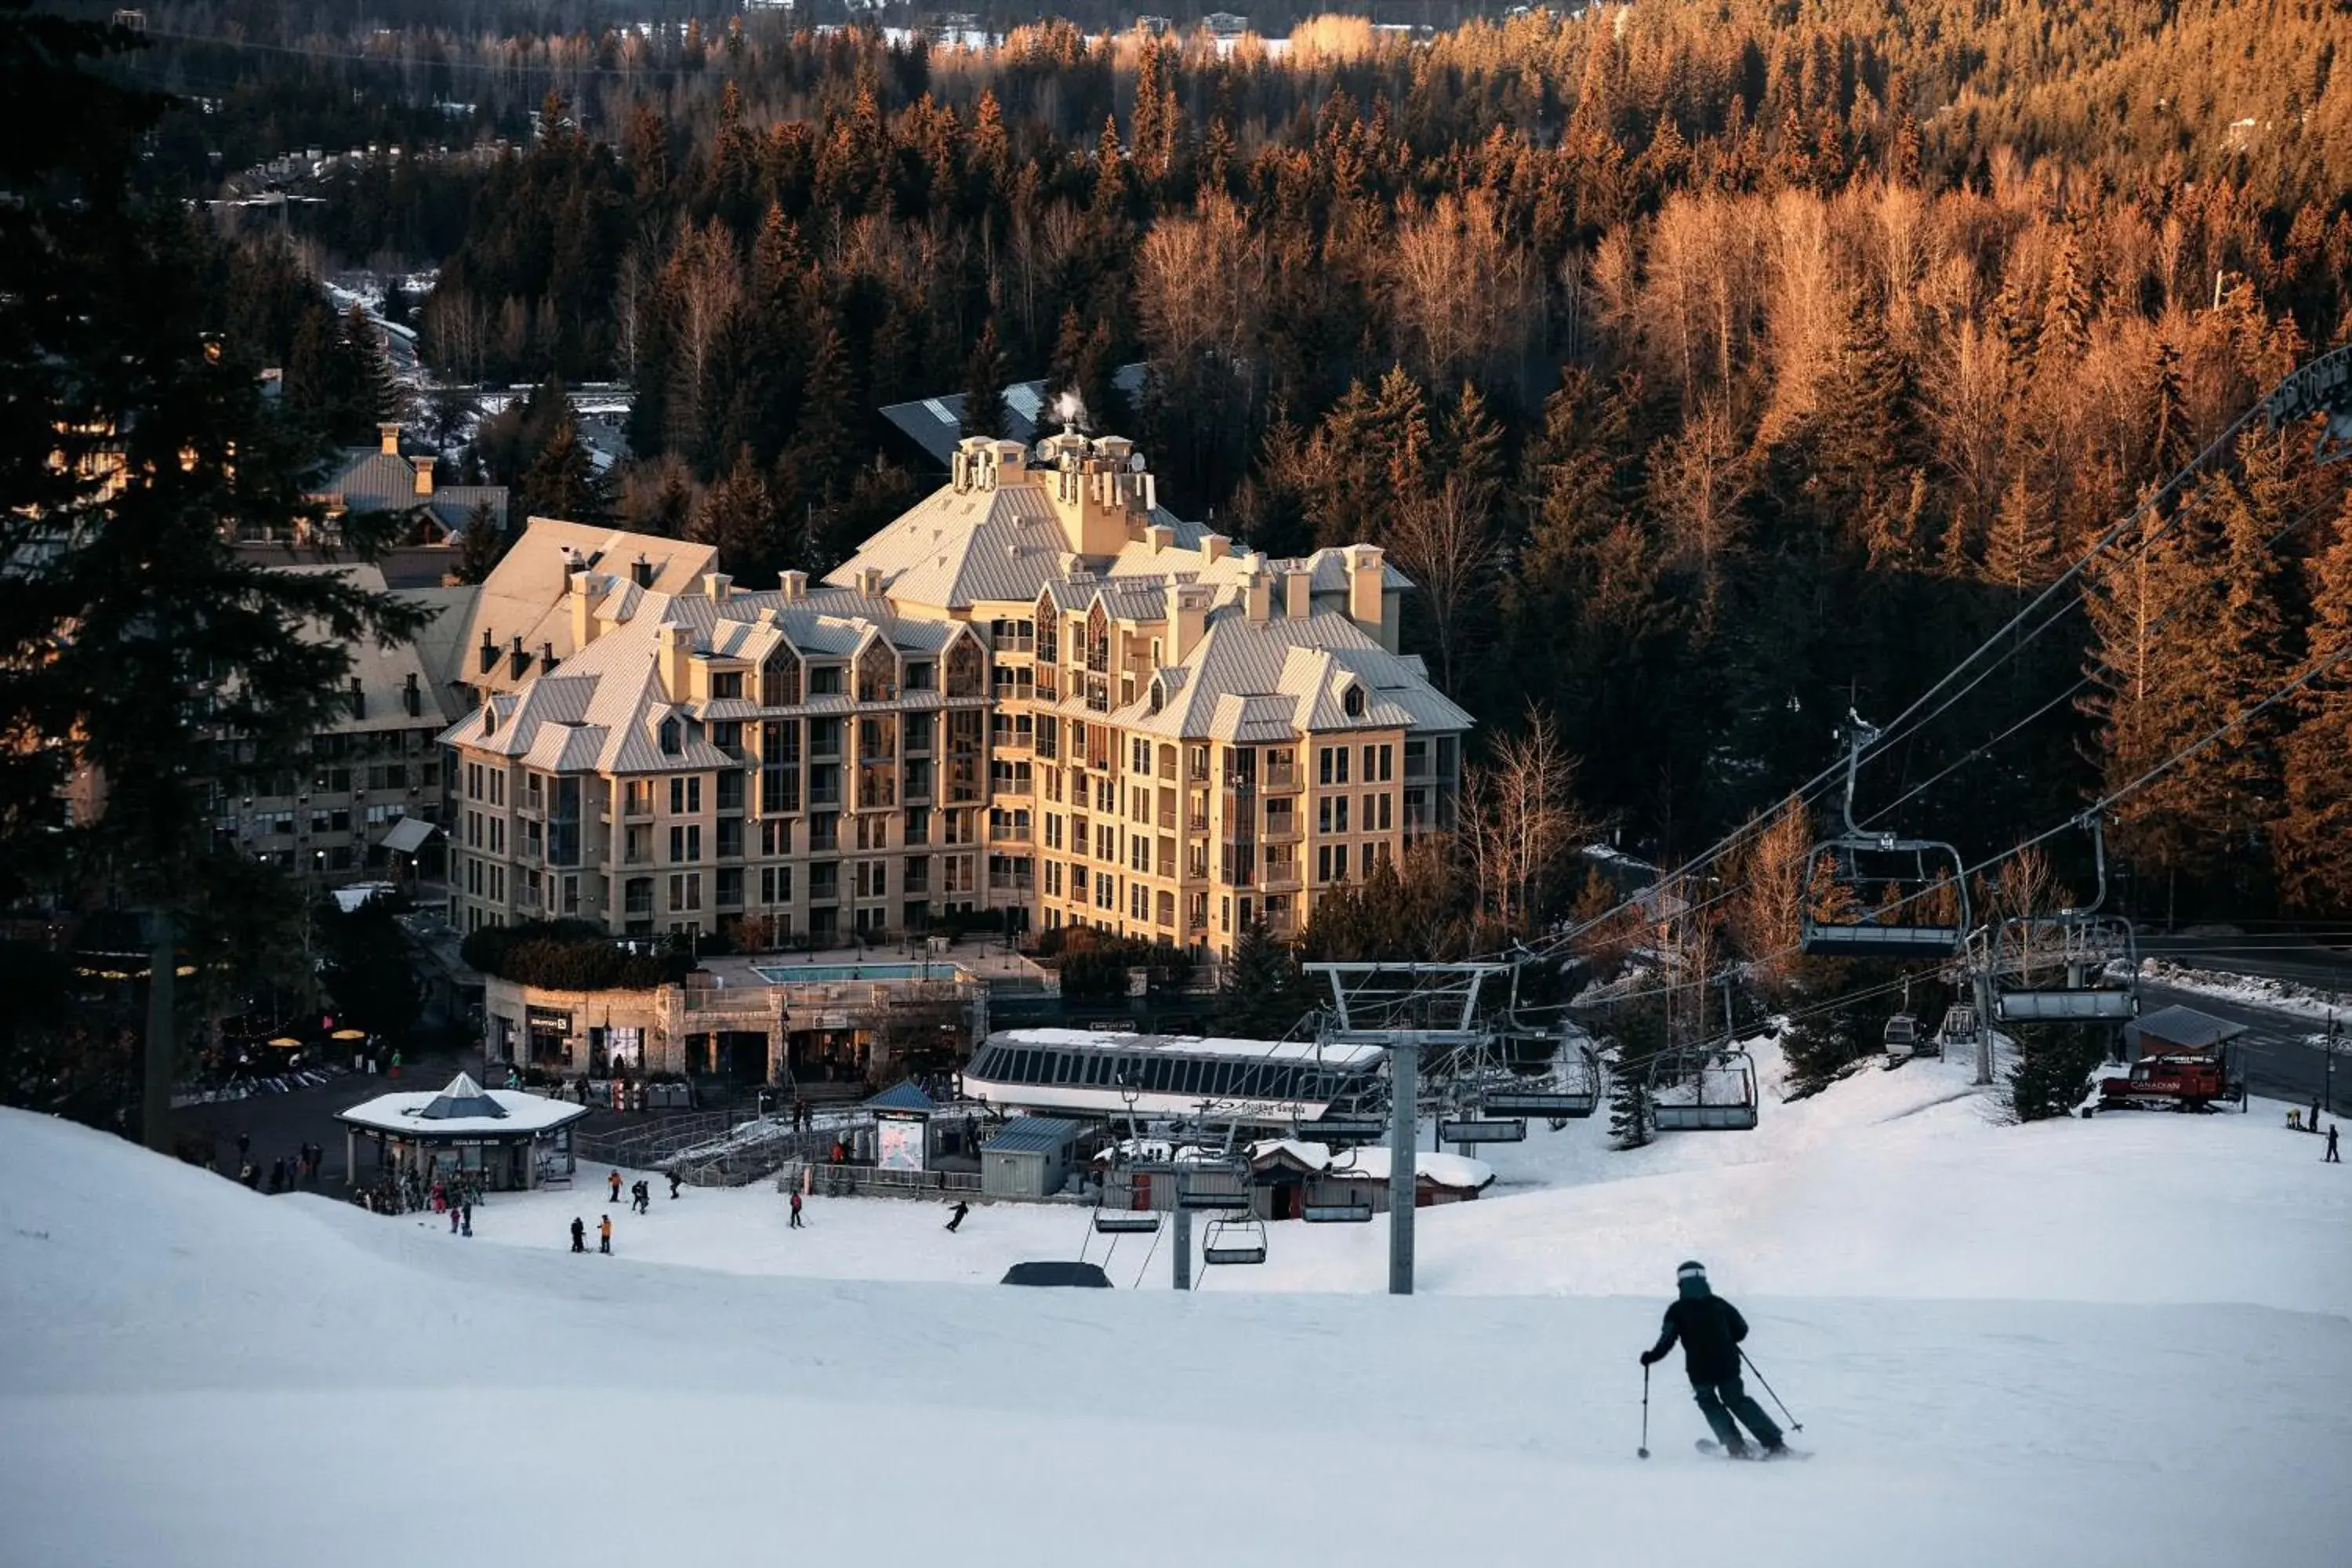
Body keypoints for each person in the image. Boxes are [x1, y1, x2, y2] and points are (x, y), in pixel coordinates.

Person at [1640, 1261, 1786, 1459]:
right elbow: (1742, 1329)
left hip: (1699, 1369)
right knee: (1737, 1400)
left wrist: (1651, 1357)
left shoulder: (1677, 1309)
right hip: (1728, 1363)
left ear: (1680, 1282)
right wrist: (1726, 1337)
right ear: (1704, 1279)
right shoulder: (1719, 1303)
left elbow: (1667, 1340)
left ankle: (1735, 1446)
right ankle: (1775, 1444)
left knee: (1708, 1401)